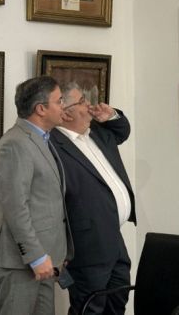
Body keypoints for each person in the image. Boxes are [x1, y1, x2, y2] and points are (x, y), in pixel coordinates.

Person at [49, 82, 136, 315]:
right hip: (87, 245)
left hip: (114, 237)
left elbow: (123, 130)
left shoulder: (98, 132)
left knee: (118, 301)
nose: (89, 105)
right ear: (66, 113)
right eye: (82, 101)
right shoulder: (52, 145)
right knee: (89, 308)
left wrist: (112, 115)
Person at [0, 76, 72, 315]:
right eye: (59, 101)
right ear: (41, 109)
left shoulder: (43, 139)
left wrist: (54, 253)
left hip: (46, 261)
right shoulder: (15, 144)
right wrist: (36, 256)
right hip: (23, 263)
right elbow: (15, 207)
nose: (64, 106)